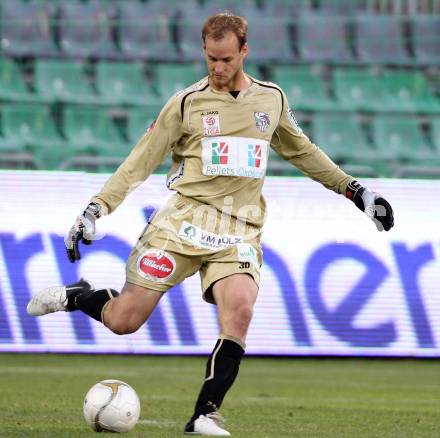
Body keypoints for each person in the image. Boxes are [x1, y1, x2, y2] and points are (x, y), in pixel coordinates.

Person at [27, 12, 394, 437]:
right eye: (210, 59)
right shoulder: (186, 103)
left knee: (238, 311)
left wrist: (357, 192)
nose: (218, 69)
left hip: (239, 230)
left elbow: (303, 152)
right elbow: (139, 162)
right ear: (204, 51)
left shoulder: (270, 100)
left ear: (243, 51)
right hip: (182, 223)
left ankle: (204, 413)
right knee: (125, 320)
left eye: (226, 59)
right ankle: (80, 297)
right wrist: (95, 208)